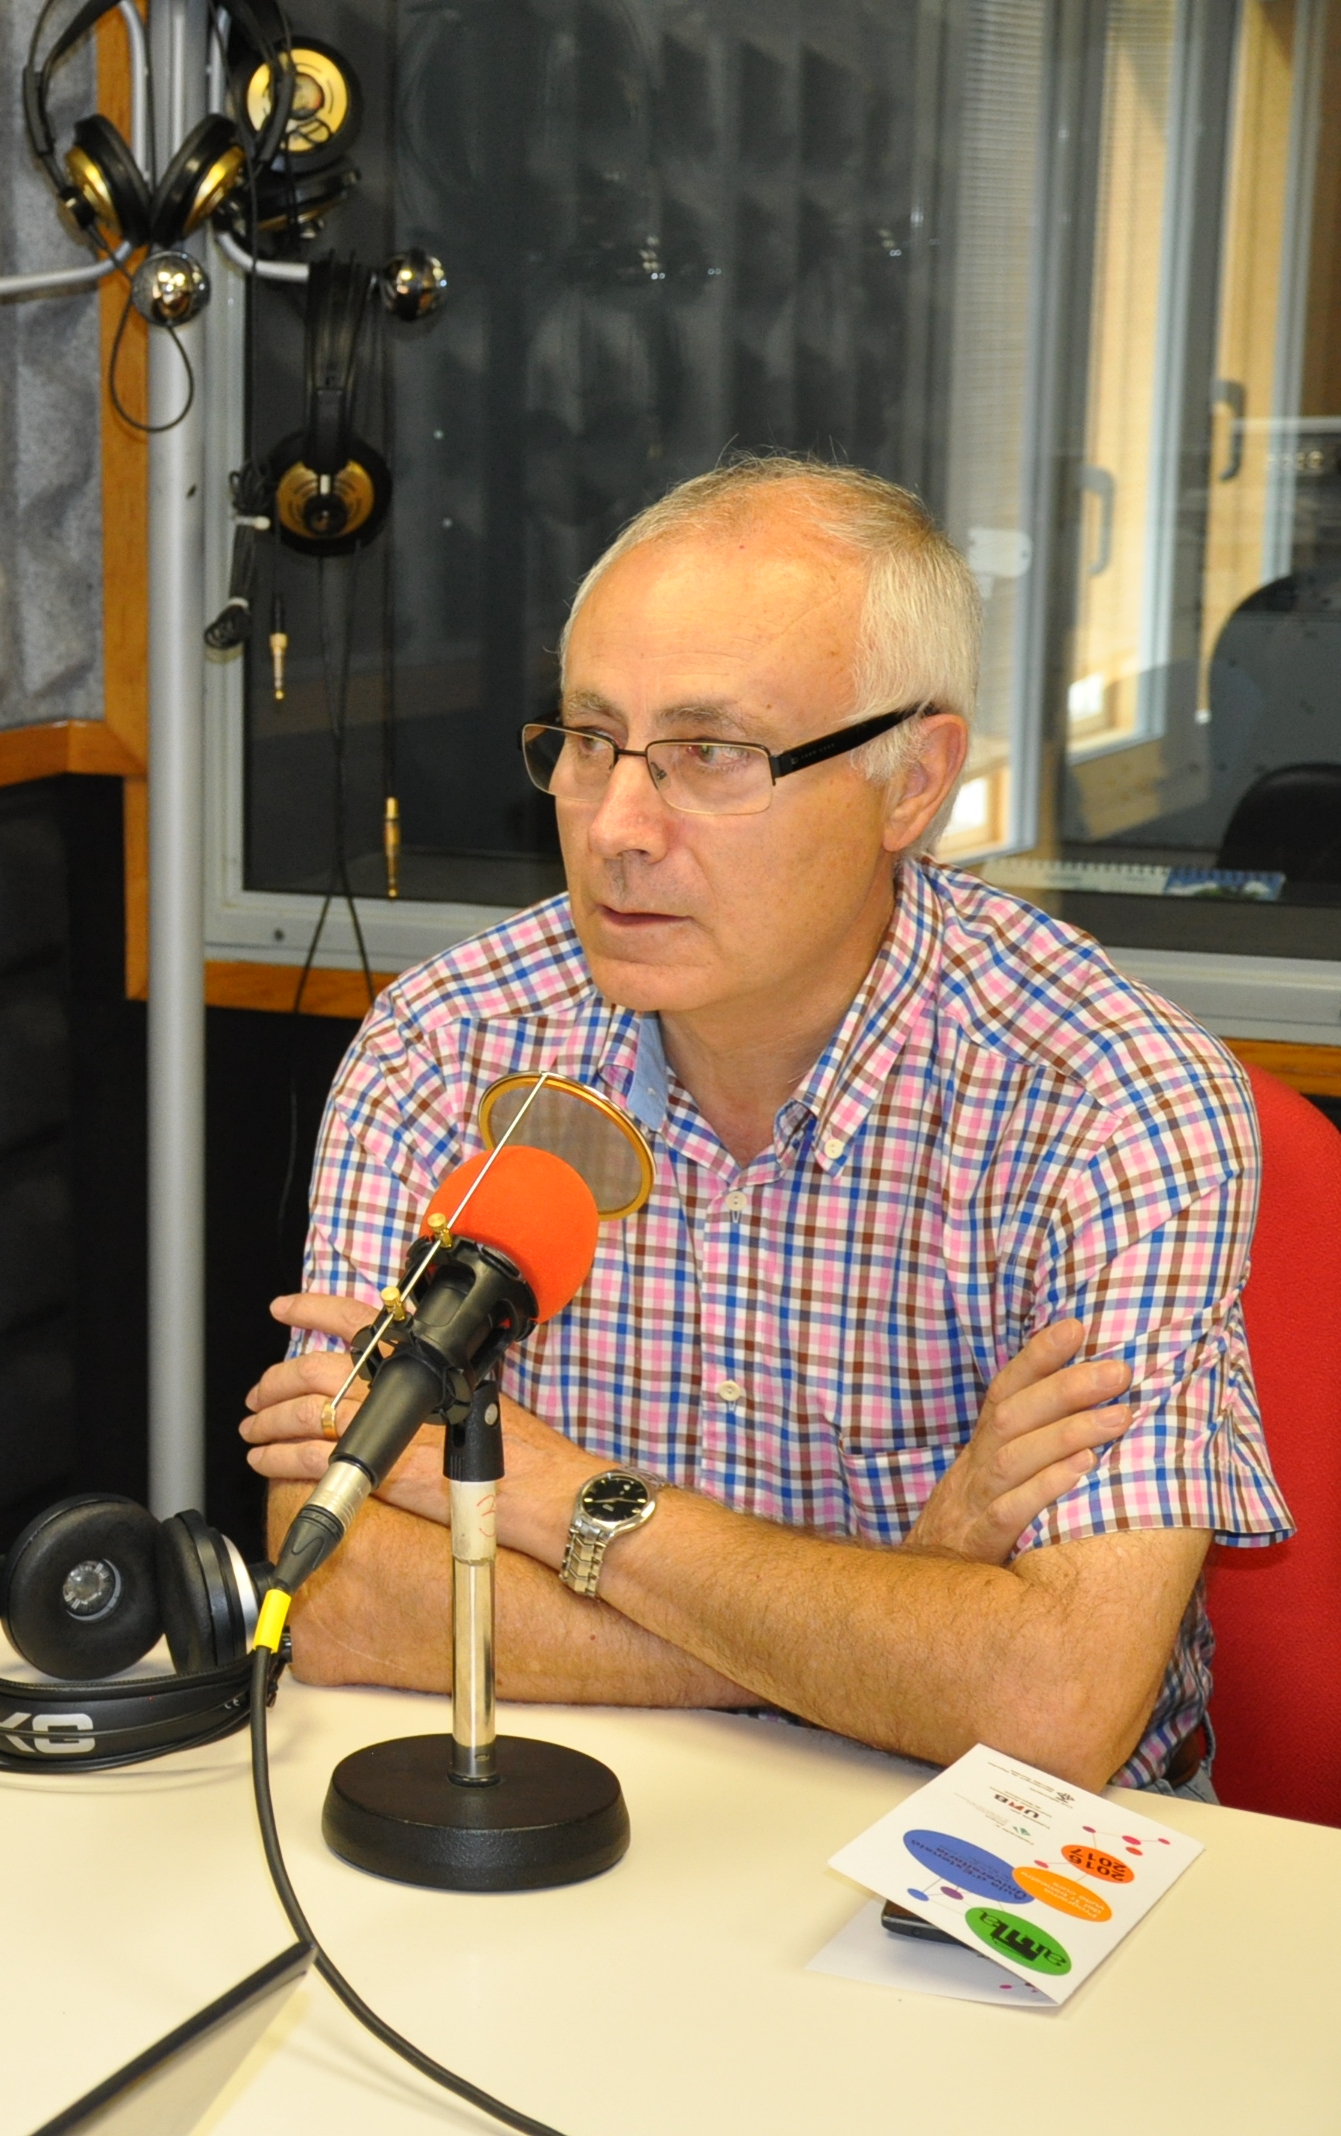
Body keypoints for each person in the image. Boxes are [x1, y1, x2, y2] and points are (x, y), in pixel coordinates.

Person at [241, 458, 1293, 1797]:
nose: (617, 828)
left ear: (913, 782)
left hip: (998, 1843)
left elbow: (1050, 1703)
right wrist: (903, 1600)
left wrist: (559, 1495)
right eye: (589, 739)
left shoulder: (1111, 1100)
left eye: (711, 755)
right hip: (580, 1790)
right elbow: (335, 1596)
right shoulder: (445, 1047)